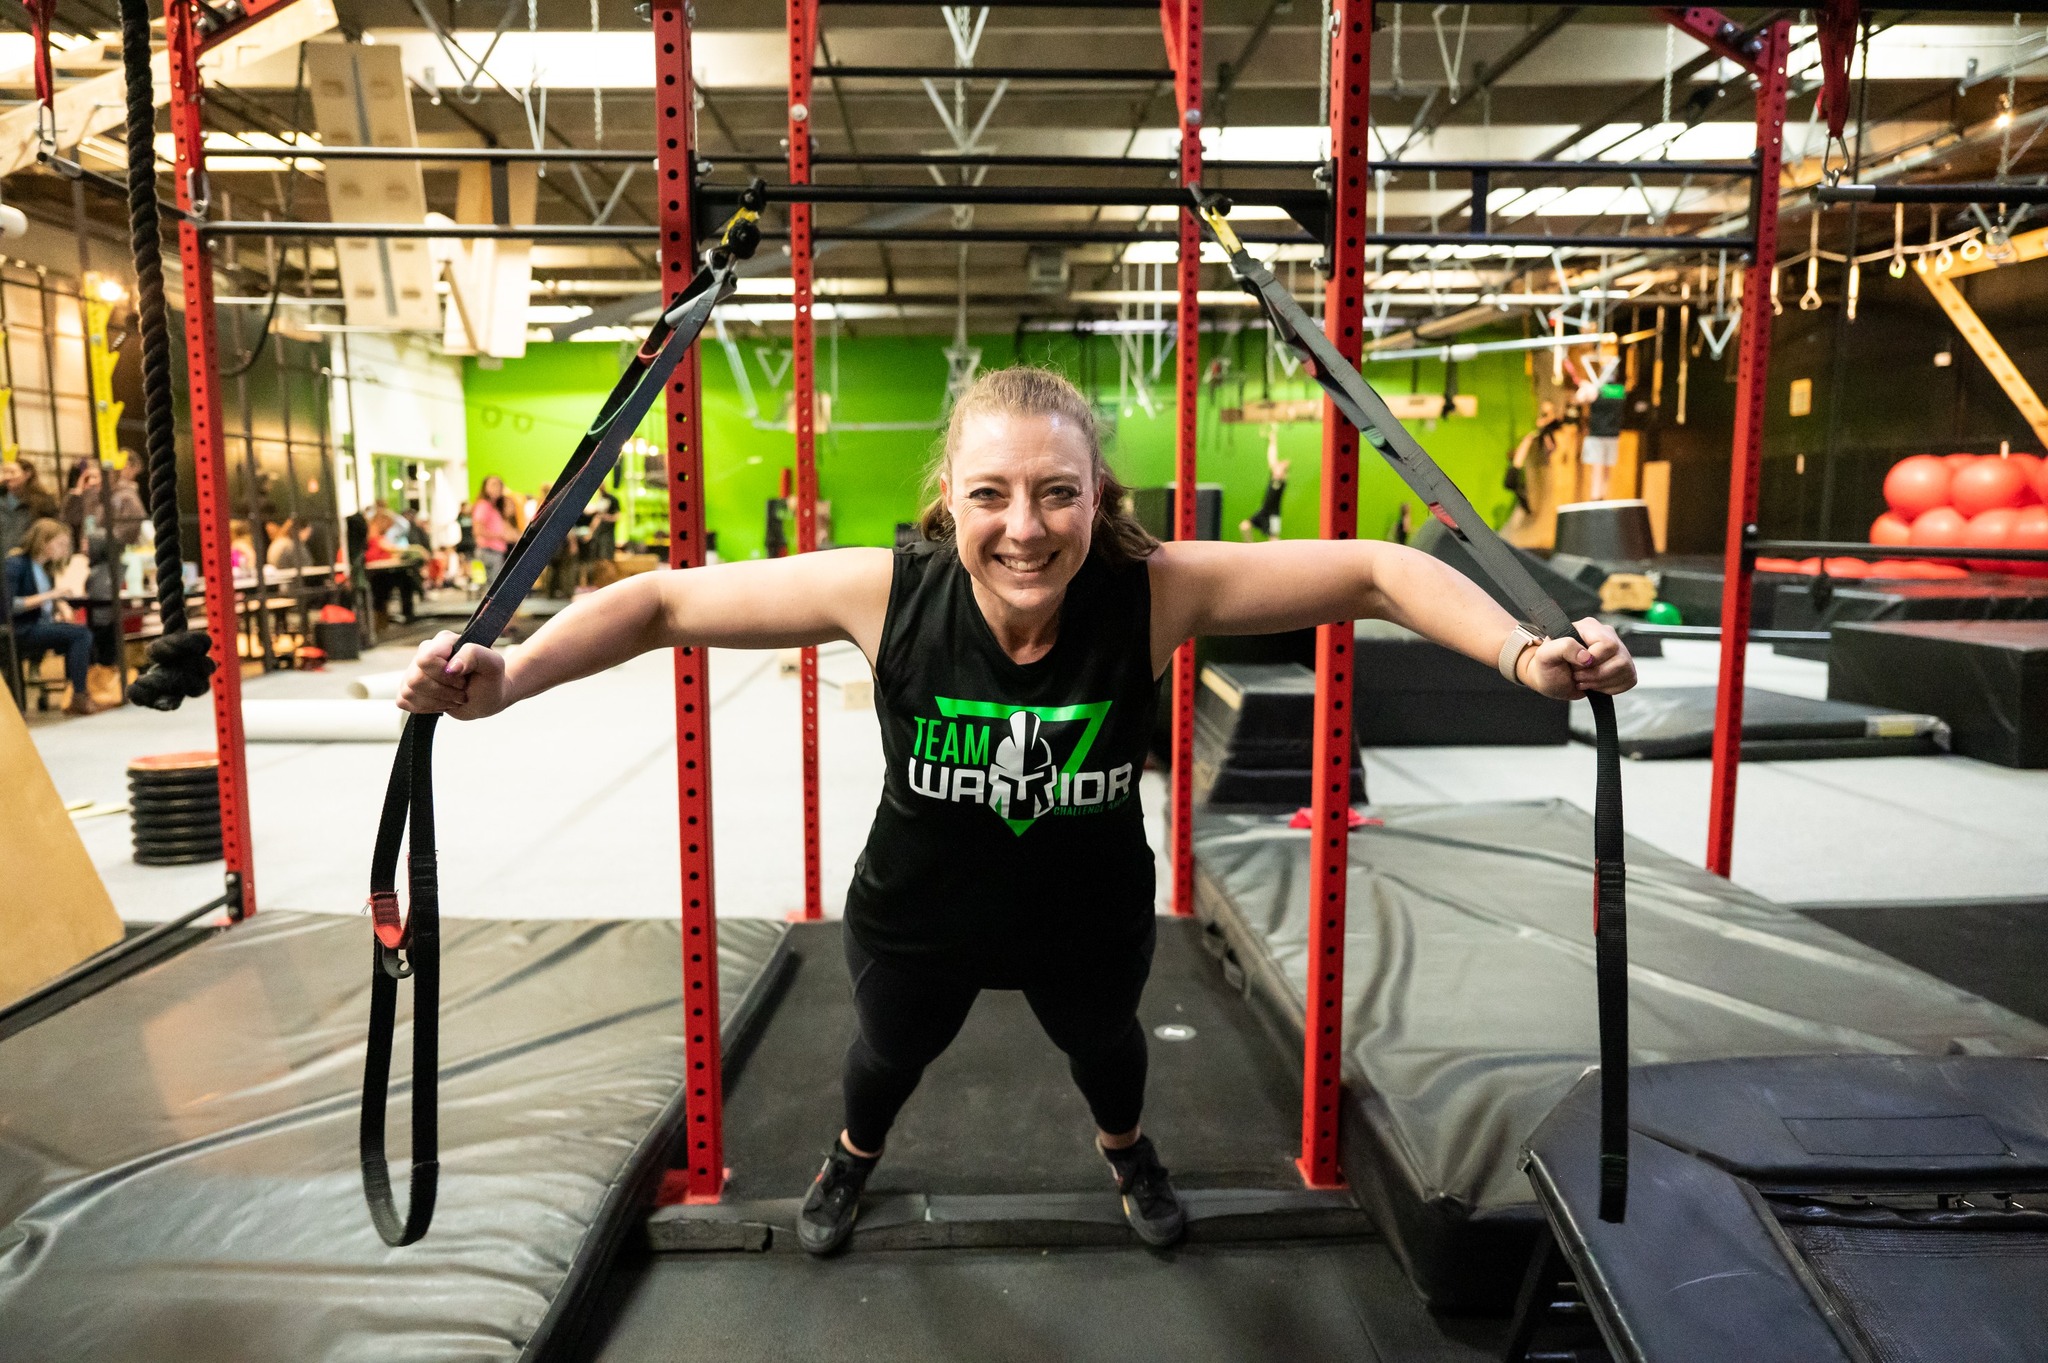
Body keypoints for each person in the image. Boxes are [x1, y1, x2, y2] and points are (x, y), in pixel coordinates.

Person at [395, 366, 1637, 1256]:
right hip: (917, 915)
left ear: (1099, 495)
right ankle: (851, 1159)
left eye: (1056, 493)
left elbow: (1374, 570)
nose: (1025, 527)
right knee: (884, 1059)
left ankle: (1126, 1152)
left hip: (1083, 913)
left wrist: (1525, 655)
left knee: (1107, 1053)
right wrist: (506, 677)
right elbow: (661, 601)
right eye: (991, 494)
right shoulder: (886, 592)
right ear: (950, 495)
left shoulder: (1151, 593)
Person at [6, 518, 98, 715]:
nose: (64, 550)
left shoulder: (44, 569)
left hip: (37, 625)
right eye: (60, 544)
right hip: (20, 629)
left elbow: (43, 601)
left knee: (82, 637)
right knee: (81, 635)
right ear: (44, 542)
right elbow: (9, 605)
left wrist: (60, 605)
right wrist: (52, 595)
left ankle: (77, 691)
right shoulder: (16, 565)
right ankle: (78, 694)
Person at [1238, 426, 1290, 541]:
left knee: (1274, 540)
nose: (1277, 467)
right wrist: (1273, 441)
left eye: (1280, 467)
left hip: (1274, 515)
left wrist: (1284, 465)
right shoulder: (1272, 478)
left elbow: (1277, 464)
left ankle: (1278, 557)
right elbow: (1272, 459)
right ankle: (1251, 549)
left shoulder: (1282, 482)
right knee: (1244, 526)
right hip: (1263, 511)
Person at [1, 459, 60, 553]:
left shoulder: (43, 503)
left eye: (12, 472)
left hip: (29, 561)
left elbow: (53, 532)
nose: (7, 477)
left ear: (27, 474)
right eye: (5, 472)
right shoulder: (2, 502)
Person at [470, 476, 514, 585]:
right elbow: (477, 530)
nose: (497, 488)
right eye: (493, 484)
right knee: (495, 586)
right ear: (485, 487)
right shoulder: (483, 506)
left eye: (499, 484)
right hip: (489, 551)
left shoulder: (494, 507)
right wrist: (500, 535)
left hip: (496, 551)